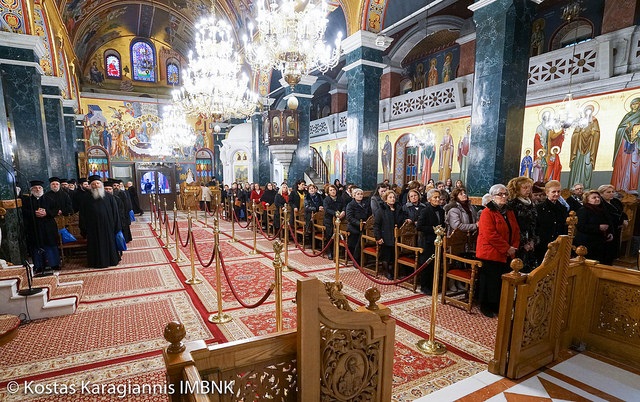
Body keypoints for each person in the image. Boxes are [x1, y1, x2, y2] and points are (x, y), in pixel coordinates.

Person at [476, 184, 520, 318]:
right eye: (500, 194)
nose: (504, 197)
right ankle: (486, 306)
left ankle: (498, 305)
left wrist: (513, 247)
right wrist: (507, 248)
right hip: (490, 252)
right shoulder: (487, 212)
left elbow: (516, 230)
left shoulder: (509, 211)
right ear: (492, 196)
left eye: (505, 194)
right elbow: (490, 235)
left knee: (501, 281)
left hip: (507, 252)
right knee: (490, 282)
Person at [79, 176, 121, 268]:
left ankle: (111, 260)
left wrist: (116, 227)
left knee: (109, 244)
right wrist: (84, 229)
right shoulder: (85, 198)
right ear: (90, 186)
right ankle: (96, 262)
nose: (96, 186)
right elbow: (82, 215)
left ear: (101, 184)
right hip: (92, 228)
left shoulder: (109, 197)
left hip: (108, 227)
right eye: (93, 184)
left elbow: (115, 213)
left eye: (97, 183)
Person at [22, 180, 60, 274]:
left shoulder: (49, 199)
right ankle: (38, 266)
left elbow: (56, 210)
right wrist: (34, 213)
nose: (37, 189)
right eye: (35, 188)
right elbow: (24, 212)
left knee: (50, 244)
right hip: (34, 227)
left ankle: (54, 264)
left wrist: (46, 213)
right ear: (31, 190)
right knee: (36, 246)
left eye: (39, 188)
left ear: (42, 189)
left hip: (48, 227)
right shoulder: (27, 201)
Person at [507, 177, 538, 273]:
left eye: (529, 187)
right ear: (517, 189)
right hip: (518, 241)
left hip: (530, 239)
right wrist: (523, 243)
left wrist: (532, 240)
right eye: (525, 188)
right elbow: (514, 225)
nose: (528, 190)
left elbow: (533, 224)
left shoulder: (531, 203)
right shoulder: (513, 204)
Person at [416, 189, 445, 294]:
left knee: (436, 263)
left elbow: (442, 223)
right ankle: (425, 286)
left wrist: (442, 230)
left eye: (438, 197)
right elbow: (419, 226)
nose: (437, 199)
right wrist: (433, 229)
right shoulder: (425, 211)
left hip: (438, 241)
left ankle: (434, 285)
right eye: (435, 197)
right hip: (427, 241)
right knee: (427, 264)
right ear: (429, 199)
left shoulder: (441, 210)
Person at [574, 190, 614, 263]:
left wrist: (610, 232)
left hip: (601, 241)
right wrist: (598, 227)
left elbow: (608, 223)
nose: (597, 199)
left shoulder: (602, 210)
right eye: (594, 198)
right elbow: (581, 226)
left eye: (598, 197)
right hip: (587, 242)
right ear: (587, 200)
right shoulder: (583, 210)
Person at [611, 97, 640, 192]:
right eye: (633, 104)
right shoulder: (627, 115)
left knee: (634, 162)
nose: (634, 106)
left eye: (636, 104)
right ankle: (618, 187)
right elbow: (620, 128)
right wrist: (625, 128)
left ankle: (632, 188)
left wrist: (636, 132)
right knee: (621, 162)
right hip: (624, 142)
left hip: (636, 142)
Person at [535, 180, 568, 264]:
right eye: (554, 192)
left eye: (558, 191)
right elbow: (536, 226)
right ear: (547, 193)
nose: (556, 194)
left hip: (558, 244)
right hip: (543, 244)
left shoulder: (563, 208)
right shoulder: (538, 208)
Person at [374, 190, 403, 280]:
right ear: (385, 199)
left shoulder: (398, 209)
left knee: (395, 255)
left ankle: (394, 270)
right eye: (390, 197)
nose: (392, 199)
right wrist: (378, 237)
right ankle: (386, 271)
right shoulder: (381, 210)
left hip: (396, 236)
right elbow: (376, 225)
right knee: (386, 255)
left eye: (394, 197)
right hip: (385, 236)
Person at [569, 105, 600, 189]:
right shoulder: (580, 121)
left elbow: (597, 132)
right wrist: (580, 134)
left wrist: (593, 134)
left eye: (590, 111)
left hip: (590, 146)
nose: (588, 112)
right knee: (577, 164)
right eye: (587, 110)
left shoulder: (594, 120)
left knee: (588, 164)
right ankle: (575, 185)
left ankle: (585, 186)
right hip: (579, 146)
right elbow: (575, 134)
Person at [598, 184, 629, 264]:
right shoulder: (600, 204)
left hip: (617, 229)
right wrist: (621, 221)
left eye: (612, 192)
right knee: (606, 254)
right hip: (607, 229)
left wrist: (624, 219)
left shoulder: (615, 202)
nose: (611, 194)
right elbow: (609, 216)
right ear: (601, 194)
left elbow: (622, 213)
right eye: (608, 192)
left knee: (612, 252)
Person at [345, 188, 371, 264]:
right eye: (358, 194)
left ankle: (363, 258)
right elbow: (349, 217)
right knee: (359, 237)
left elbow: (369, 214)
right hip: (354, 227)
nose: (360, 196)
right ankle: (356, 259)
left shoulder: (365, 204)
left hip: (365, 226)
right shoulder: (350, 205)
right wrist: (359, 223)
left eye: (361, 194)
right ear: (354, 195)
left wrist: (367, 222)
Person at [323, 184, 345, 260]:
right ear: (328, 192)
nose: (333, 191)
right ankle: (330, 252)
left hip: (340, 219)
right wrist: (335, 213)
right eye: (331, 190)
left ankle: (339, 251)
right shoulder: (326, 200)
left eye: (334, 190)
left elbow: (344, 206)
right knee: (330, 235)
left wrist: (343, 211)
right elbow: (326, 209)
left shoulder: (340, 198)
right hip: (329, 220)